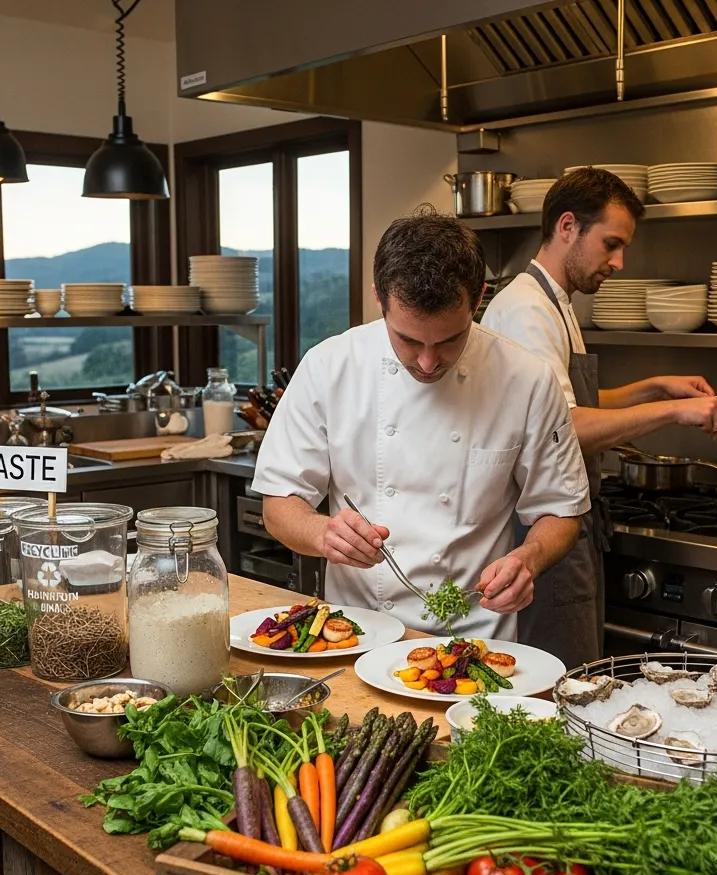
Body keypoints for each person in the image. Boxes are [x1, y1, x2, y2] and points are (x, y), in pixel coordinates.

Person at [253, 210, 591, 641]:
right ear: (379, 298)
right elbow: (279, 504)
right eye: (409, 340)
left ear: (478, 298)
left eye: (450, 340)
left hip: (476, 637)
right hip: (357, 633)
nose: (428, 362)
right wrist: (322, 533)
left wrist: (530, 557)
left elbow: (560, 510)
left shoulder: (526, 379)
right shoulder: (328, 367)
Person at [482, 167, 717, 668]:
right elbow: (566, 431)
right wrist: (674, 410)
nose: (619, 262)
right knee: (562, 682)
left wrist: (655, 386)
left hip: (566, 521)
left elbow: (568, 403)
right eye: (611, 244)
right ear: (568, 226)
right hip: (540, 528)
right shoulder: (526, 312)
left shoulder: (554, 302)